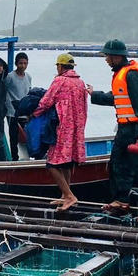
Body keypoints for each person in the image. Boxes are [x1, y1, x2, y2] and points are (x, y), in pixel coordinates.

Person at [87, 38, 138, 223]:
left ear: (116, 57)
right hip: (124, 128)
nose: (106, 60)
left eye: (108, 56)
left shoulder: (132, 75)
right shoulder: (121, 74)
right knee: (118, 165)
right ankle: (121, 200)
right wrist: (94, 94)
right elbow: (117, 98)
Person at [33, 53, 88, 210]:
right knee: (67, 162)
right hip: (77, 129)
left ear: (61, 66)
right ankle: (65, 194)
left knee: (52, 163)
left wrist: (33, 114)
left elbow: (46, 101)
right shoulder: (80, 82)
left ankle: (70, 196)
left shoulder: (60, 81)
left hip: (62, 128)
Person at [5, 52, 32, 159]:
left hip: (24, 112)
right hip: (12, 112)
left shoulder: (28, 77)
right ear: (16, 63)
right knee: (13, 137)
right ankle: (14, 158)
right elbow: (4, 90)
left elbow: (29, 93)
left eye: (25, 63)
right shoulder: (10, 77)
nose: (23, 66)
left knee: (26, 136)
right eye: (21, 63)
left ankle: (27, 156)